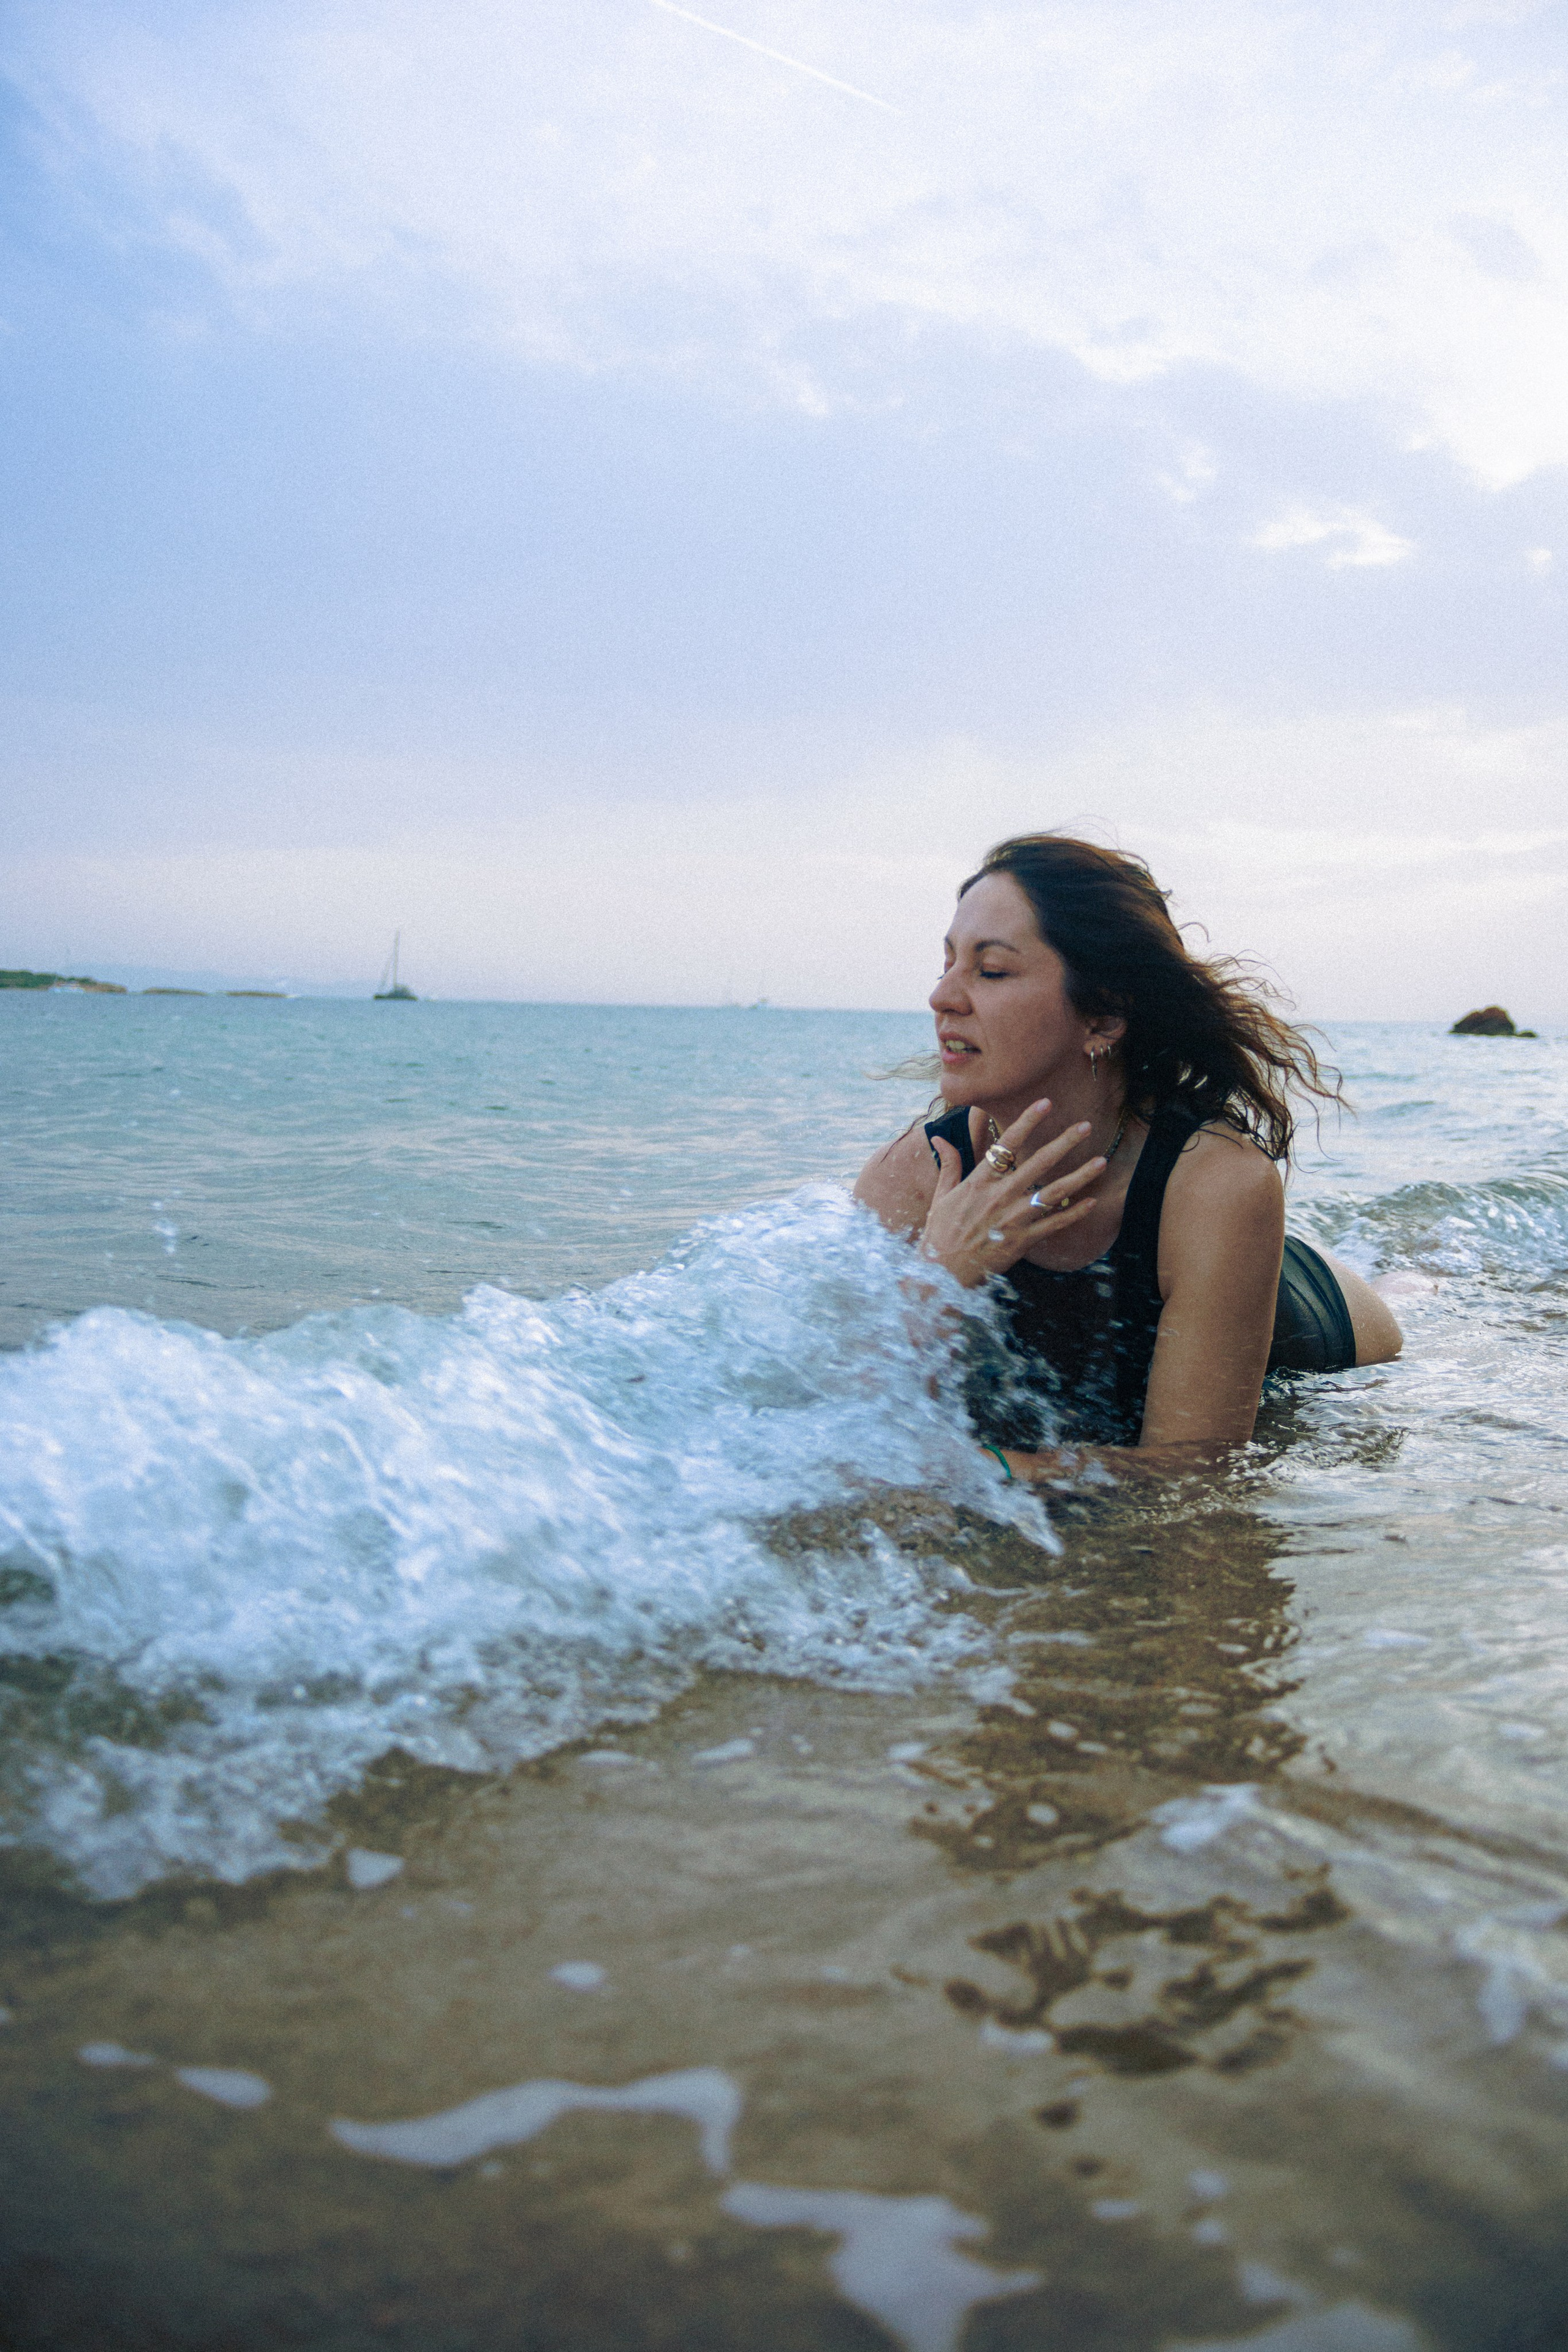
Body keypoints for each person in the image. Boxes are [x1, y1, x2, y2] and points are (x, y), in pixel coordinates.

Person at [854, 834, 1401, 1480]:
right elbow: (845, 1420)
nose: (942, 997)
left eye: (991, 970)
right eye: (946, 964)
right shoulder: (908, 1177)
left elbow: (1194, 1470)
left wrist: (971, 1472)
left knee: (1411, 1287)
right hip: (1197, 1279)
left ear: (1104, 1017)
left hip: (1316, 1323)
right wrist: (935, 1281)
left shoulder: (1216, 1182)